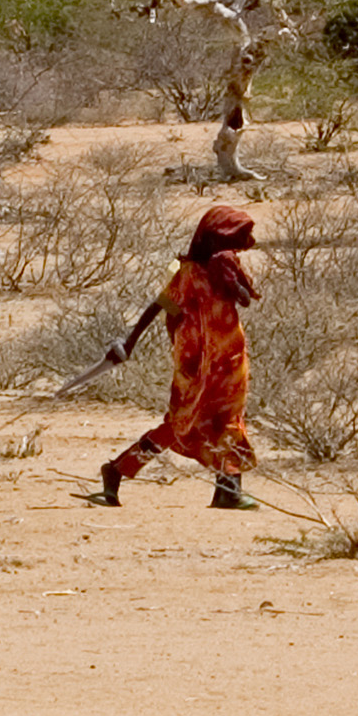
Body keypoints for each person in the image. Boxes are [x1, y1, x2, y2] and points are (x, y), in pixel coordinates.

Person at [90, 204, 261, 511]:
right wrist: (130, 341)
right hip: (196, 362)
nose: (241, 242)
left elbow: (245, 301)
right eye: (235, 235)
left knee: (228, 420)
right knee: (181, 421)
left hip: (230, 360)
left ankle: (228, 490)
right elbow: (161, 306)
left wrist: (230, 277)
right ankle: (117, 469)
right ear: (215, 237)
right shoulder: (183, 272)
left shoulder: (226, 265)